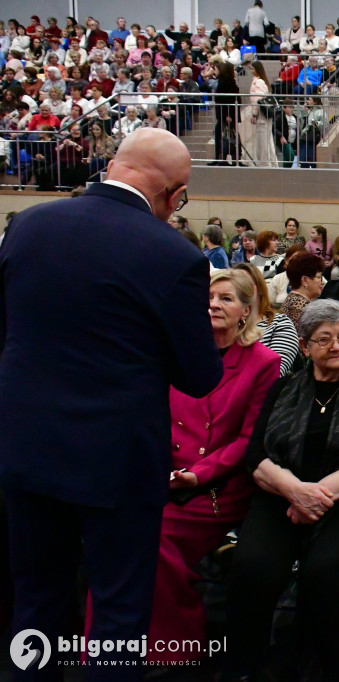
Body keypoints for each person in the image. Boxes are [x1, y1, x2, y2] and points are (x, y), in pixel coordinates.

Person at [0, 128, 223, 677]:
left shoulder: (28, 226)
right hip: (116, 464)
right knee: (118, 615)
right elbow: (198, 377)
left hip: (25, 449)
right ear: (172, 193)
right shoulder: (173, 255)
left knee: (36, 602)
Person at [224, 300, 339, 680]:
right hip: (280, 498)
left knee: (327, 572)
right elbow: (256, 455)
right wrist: (293, 491)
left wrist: (313, 495)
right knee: (253, 568)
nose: (337, 346)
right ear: (304, 347)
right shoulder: (283, 387)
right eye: (324, 339)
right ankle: (245, 664)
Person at [143, 269, 279, 663]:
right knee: (120, 538)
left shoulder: (262, 363)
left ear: (246, 311)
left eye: (225, 298)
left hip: (219, 488)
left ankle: (176, 644)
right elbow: (154, 420)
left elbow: (248, 441)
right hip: (164, 477)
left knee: (152, 542)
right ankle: (110, 646)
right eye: (208, 298)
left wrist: (197, 475)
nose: (214, 305)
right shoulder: (178, 353)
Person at [234, 263, 301, 376]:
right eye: (233, 286)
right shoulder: (223, 326)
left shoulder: (279, 324)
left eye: (245, 285)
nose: (239, 290)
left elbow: (273, 375)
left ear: (259, 289)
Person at [281, 251, 324, 327]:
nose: (322, 282)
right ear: (304, 280)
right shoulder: (305, 309)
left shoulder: (290, 299)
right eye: (319, 277)